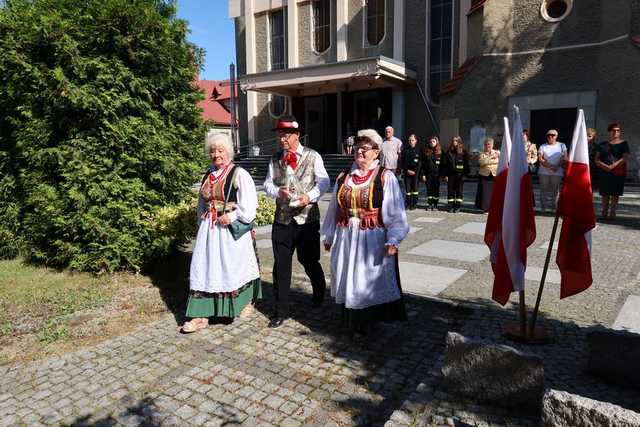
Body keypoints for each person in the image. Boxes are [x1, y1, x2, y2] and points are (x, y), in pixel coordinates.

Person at [321, 129, 409, 334]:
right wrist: (329, 234)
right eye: (357, 148)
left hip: (372, 239)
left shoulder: (385, 177)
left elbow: (396, 212)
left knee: (366, 279)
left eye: (365, 148)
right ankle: (350, 319)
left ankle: (368, 323)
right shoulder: (344, 176)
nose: (360, 152)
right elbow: (334, 207)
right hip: (346, 237)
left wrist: (394, 239)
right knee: (346, 275)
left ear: (376, 152)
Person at [181, 132, 261, 333]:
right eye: (212, 151)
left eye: (220, 150)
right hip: (210, 231)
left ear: (229, 152)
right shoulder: (208, 175)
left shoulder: (239, 174)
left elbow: (250, 206)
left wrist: (232, 216)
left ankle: (243, 303)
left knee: (232, 268)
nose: (216, 155)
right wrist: (201, 223)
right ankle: (201, 315)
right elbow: (201, 204)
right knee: (205, 267)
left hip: (230, 233)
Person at [263, 116, 330, 328]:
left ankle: (319, 292)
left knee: (309, 261)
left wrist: (309, 196)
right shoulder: (275, 159)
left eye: (286, 134)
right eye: (279, 134)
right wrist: (277, 191)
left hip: (307, 219)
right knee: (281, 266)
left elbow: (325, 181)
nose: (282, 138)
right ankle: (281, 311)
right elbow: (266, 185)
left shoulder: (313, 156)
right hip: (282, 220)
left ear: (297, 135)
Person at [595, 122, 630, 219]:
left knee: (615, 193)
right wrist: (604, 166)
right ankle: (604, 212)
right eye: (613, 130)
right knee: (605, 192)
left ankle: (613, 212)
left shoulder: (624, 144)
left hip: (617, 172)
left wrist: (612, 166)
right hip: (604, 171)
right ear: (609, 132)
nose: (615, 132)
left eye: (618, 130)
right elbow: (596, 159)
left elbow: (625, 158)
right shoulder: (602, 144)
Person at [537, 129, 567, 213]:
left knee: (556, 190)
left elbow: (565, 157)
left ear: (556, 136)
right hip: (544, 172)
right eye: (548, 135)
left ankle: (555, 208)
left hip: (557, 172)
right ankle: (543, 208)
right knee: (543, 190)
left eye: (553, 135)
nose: (550, 136)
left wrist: (557, 166)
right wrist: (552, 167)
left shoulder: (562, 145)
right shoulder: (542, 146)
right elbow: (540, 158)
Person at [443, 136, 469, 213]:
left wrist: (465, 175)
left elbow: (466, 165)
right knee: (450, 191)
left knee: (459, 191)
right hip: (451, 175)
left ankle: (457, 206)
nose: (454, 142)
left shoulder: (464, 152)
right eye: (453, 141)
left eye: (456, 141)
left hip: (460, 175)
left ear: (459, 142)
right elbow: (445, 165)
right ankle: (450, 206)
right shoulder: (448, 152)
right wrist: (445, 175)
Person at [475, 138, 500, 213]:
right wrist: (491, 158)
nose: (487, 146)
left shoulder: (497, 153)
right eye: (486, 144)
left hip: (494, 175)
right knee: (485, 194)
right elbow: (481, 162)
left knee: (494, 193)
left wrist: (488, 161)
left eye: (489, 144)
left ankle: (494, 208)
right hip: (484, 175)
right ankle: (486, 208)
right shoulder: (481, 153)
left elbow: (499, 161)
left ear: (492, 145)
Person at [421, 136, 444, 211]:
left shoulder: (441, 152)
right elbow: (422, 164)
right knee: (429, 190)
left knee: (436, 190)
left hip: (437, 175)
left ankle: (435, 204)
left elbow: (443, 165)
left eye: (433, 141)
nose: (432, 143)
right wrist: (423, 174)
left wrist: (442, 175)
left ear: (437, 142)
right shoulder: (426, 151)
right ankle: (429, 204)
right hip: (428, 174)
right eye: (431, 142)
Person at [401, 134, 422, 210]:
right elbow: (402, 162)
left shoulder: (419, 150)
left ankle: (414, 204)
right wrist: (407, 170)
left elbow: (420, 162)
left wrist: (415, 172)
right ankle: (408, 203)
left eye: (412, 140)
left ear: (416, 141)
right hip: (407, 173)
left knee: (415, 190)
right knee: (408, 190)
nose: (411, 141)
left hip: (416, 174)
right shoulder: (405, 150)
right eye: (409, 140)